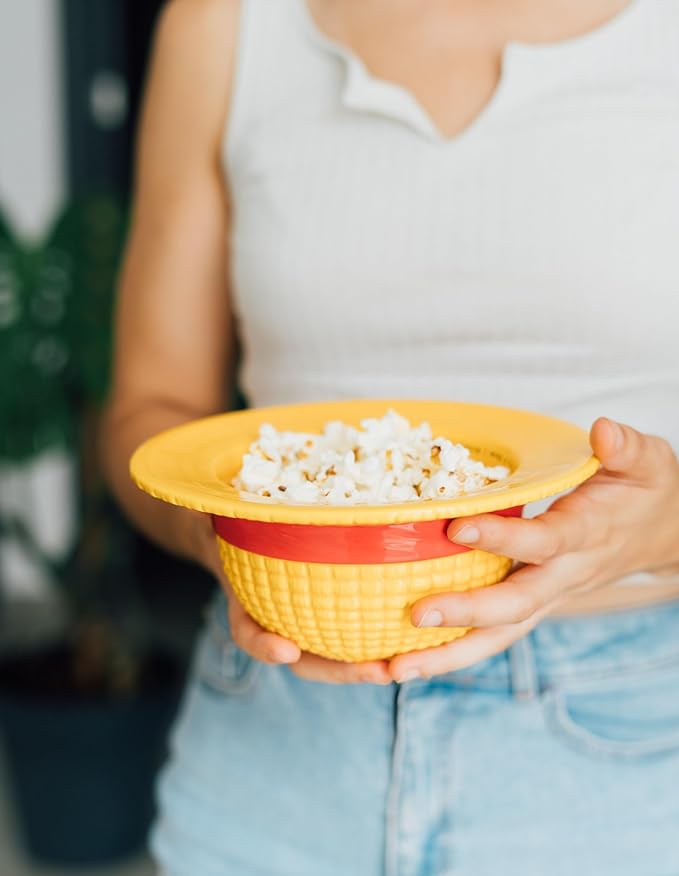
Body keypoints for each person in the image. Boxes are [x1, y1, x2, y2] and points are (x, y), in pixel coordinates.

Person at [102, 1, 679, 873]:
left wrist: (665, 528)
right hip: (275, 723)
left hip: (625, 726)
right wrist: (227, 536)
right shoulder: (224, 25)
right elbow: (148, 410)